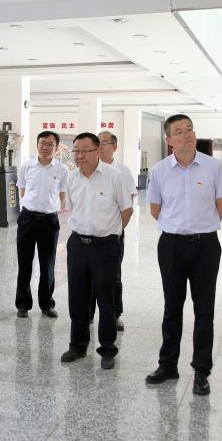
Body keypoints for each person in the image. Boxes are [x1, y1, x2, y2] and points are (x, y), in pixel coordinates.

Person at [145, 114, 222, 396]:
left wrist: (199, 227)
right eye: (179, 131)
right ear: (169, 140)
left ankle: (201, 370)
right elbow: (155, 209)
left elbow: (221, 206)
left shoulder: (212, 166)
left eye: (190, 129)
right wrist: (178, 227)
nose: (187, 134)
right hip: (171, 246)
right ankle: (167, 365)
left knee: (204, 309)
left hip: (206, 246)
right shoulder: (159, 170)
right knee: (172, 307)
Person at [60, 132, 133, 370]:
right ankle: (78, 345)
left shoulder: (115, 176)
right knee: (77, 298)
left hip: (105, 246)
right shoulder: (72, 177)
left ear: (98, 151)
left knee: (106, 299)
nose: (79, 155)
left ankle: (108, 349)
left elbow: (127, 210)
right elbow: (72, 208)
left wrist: (113, 233)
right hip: (78, 244)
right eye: (76, 150)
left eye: (85, 150)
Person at [15, 130, 67, 319]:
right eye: (42, 143)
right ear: (37, 144)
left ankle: (47, 304)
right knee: (24, 263)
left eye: (50, 144)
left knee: (48, 264)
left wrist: (49, 207)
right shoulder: (27, 166)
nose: (45, 147)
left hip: (49, 220)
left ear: (56, 147)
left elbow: (62, 195)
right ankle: (23, 304)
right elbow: (22, 191)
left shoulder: (61, 169)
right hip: (27, 219)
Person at [89, 130, 137, 332]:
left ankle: (115, 314)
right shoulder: (89, 168)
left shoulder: (122, 172)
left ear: (114, 147)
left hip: (113, 234)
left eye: (104, 142)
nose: (99, 146)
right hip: (90, 233)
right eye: (97, 143)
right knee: (89, 275)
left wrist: (117, 230)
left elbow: (128, 205)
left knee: (113, 275)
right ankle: (89, 313)